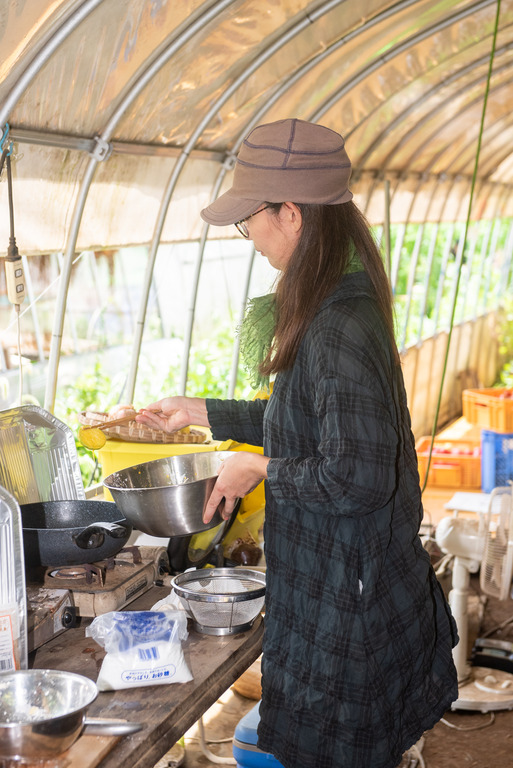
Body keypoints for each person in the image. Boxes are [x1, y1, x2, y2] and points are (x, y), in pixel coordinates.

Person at [136, 118, 458, 768]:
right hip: (350, 585)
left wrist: (258, 469)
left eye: (247, 218)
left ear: (289, 212)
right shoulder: (337, 301)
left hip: (350, 604)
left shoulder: (337, 324)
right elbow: (309, 418)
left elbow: (357, 477)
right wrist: (199, 410)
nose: (246, 234)